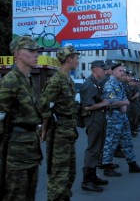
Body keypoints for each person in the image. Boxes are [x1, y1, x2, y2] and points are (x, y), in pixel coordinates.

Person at [0, 36, 43, 201]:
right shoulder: (10, 81)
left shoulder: (26, 80)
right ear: (18, 53)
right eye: (31, 50)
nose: (36, 54)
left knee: (28, 196)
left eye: (36, 50)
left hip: (30, 151)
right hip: (14, 155)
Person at [39, 45, 80, 201]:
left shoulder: (67, 79)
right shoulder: (56, 80)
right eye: (76, 58)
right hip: (58, 132)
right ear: (69, 59)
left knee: (70, 173)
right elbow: (44, 106)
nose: (77, 60)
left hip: (68, 131)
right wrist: (44, 129)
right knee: (59, 174)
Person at [101, 62, 140, 177]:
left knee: (127, 140)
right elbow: (111, 101)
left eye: (123, 71)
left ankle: (132, 164)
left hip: (121, 116)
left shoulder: (119, 84)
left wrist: (124, 104)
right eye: (120, 71)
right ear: (113, 72)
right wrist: (125, 103)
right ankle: (107, 166)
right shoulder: (109, 84)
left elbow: (123, 97)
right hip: (113, 117)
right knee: (111, 142)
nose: (123, 73)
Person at [79, 60, 110, 192]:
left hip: (98, 118)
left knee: (98, 148)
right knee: (93, 149)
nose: (104, 71)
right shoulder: (90, 84)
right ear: (96, 69)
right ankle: (86, 180)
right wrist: (104, 104)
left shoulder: (95, 83)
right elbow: (87, 106)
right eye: (103, 69)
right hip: (93, 119)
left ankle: (93, 176)